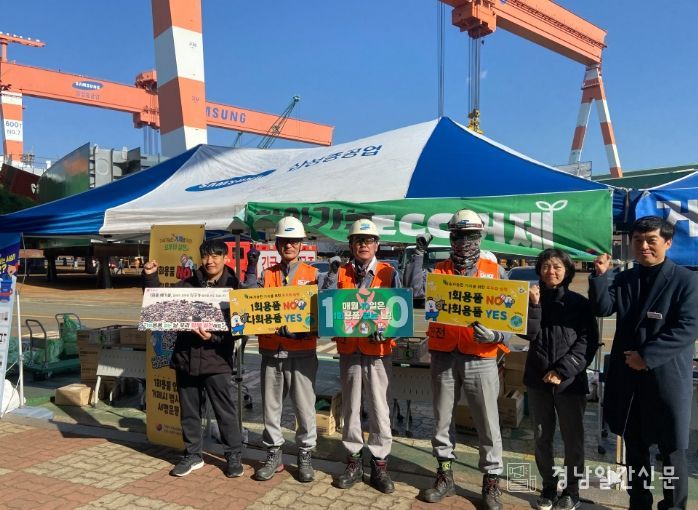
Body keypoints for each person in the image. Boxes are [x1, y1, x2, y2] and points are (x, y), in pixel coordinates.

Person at [589, 216, 698, 510]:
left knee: (672, 451)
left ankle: (674, 506)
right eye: (638, 241)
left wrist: (646, 357)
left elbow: (688, 328)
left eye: (651, 240)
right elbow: (603, 308)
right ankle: (639, 503)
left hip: (666, 381)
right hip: (629, 382)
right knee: (635, 449)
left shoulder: (686, 280)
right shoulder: (625, 278)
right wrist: (600, 276)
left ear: (668, 243)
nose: (644, 246)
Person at [405, 209, 508, 510]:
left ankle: (491, 481)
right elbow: (415, 290)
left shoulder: (495, 271)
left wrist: (497, 335)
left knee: (487, 422)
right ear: (450, 238)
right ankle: (445, 474)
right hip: (444, 356)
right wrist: (418, 256)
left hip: (481, 357)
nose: (465, 242)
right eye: (459, 236)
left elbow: (512, 316)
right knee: (442, 420)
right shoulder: (439, 271)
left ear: (481, 236)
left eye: (471, 235)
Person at [143, 239, 244, 479]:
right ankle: (192, 455)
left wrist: (214, 337)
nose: (210, 261)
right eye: (206, 256)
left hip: (217, 360)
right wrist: (150, 277)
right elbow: (159, 304)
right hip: (186, 358)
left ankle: (233, 455)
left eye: (216, 256)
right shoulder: (187, 284)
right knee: (189, 412)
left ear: (226, 258)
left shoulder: (235, 287)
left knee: (225, 411)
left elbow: (241, 328)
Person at [323, 218, 400, 494]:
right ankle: (354, 461)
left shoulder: (388, 272)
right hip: (349, 350)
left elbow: (400, 310)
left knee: (380, 408)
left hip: (378, 351)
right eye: (358, 240)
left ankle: (379, 464)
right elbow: (328, 307)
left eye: (368, 240)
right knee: (351, 407)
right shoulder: (340, 272)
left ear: (376, 244)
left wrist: (388, 333)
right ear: (351, 245)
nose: (363, 245)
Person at [519, 249, 599, 510]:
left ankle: (572, 490)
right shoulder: (531, 299)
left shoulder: (579, 303)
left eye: (557, 267)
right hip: (537, 379)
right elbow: (528, 334)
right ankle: (548, 486)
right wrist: (534, 306)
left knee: (572, 438)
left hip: (570, 382)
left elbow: (588, 342)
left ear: (567, 271)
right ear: (539, 270)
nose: (550, 271)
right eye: (545, 266)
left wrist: (563, 370)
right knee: (541, 436)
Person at [252, 217, 320, 483]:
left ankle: (305, 454)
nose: (289, 245)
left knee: (305, 408)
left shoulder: (313, 275)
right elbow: (251, 305)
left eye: (293, 241)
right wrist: (250, 275)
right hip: (271, 351)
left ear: (301, 244)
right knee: (271, 408)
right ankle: (273, 454)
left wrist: (305, 331)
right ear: (277, 245)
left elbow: (321, 316)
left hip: (302, 353)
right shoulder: (266, 274)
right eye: (284, 241)